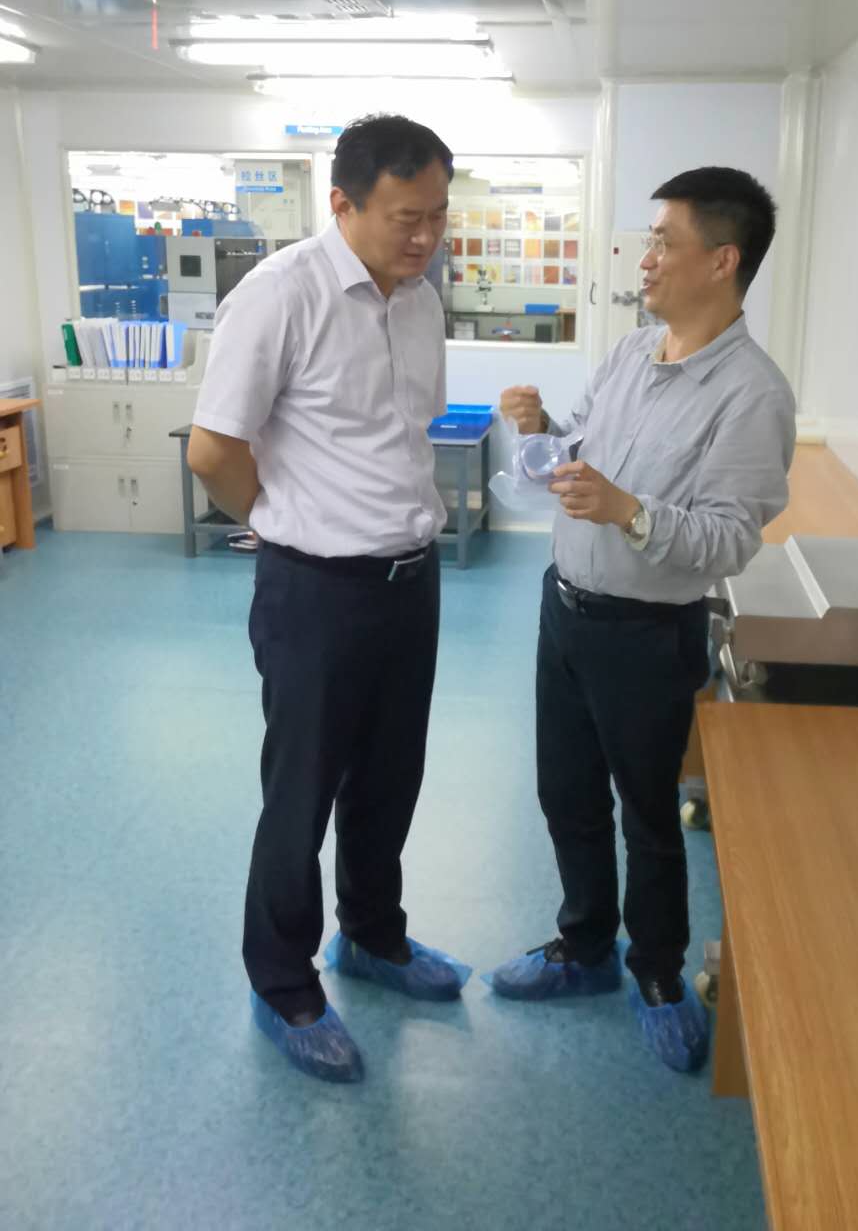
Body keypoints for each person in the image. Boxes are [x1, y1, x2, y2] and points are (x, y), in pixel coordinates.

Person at [489, 166, 796, 1072]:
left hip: (647, 636)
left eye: (665, 241)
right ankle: (585, 945)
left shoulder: (753, 395)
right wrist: (542, 428)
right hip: (565, 612)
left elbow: (730, 538)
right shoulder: (631, 351)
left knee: (649, 817)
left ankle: (657, 971)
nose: (647, 258)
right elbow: (581, 447)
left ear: (723, 260)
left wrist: (630, 512)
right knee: (566, 796)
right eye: (648, 239)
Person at [187, 115, 469, 1084]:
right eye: (405, 217)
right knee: (301, 792)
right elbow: (213, 450)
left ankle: (374, 936)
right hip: (315, 590)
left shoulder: (421, 301)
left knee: (390, 780)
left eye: (437, 215)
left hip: (410, 580)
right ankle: (281, 981)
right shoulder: (281, 296)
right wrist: (283, 522)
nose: (425, 236)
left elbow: (407, 435)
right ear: (342, 203)